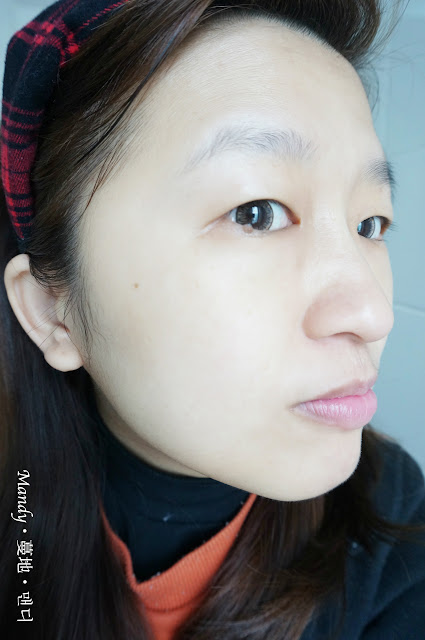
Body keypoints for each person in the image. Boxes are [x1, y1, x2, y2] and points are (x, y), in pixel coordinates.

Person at [1, 0, 424, 638]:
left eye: (371, 224)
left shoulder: (392, 521)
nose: (371, 313)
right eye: (257, 212)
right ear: (52, 312)